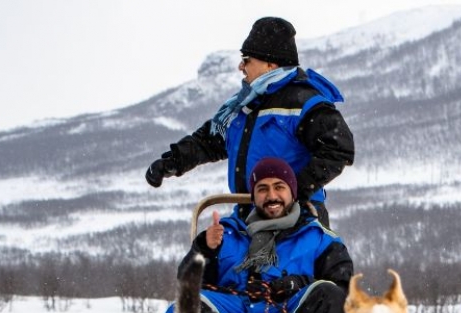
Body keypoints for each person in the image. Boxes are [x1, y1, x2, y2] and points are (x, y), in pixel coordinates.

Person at [144, 17, 354, 228]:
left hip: (297, 220)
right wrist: (171, 162)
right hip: (249, 216)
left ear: (270, 65)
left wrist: (294, 191)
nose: (241, 66)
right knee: (206, 247)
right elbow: (207, 142)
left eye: (247, 60)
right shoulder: (243, 106)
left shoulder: (304, 103)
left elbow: (339, 148)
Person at [161, 157, 352, 313]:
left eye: (279, 187)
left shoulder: (319, 238)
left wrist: (298, 282)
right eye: (262, 189)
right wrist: (205, 249)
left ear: (293, 193)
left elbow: (342, 289)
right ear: (253, 196)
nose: (272, 195)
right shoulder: (226, 233)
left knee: (327, 295)